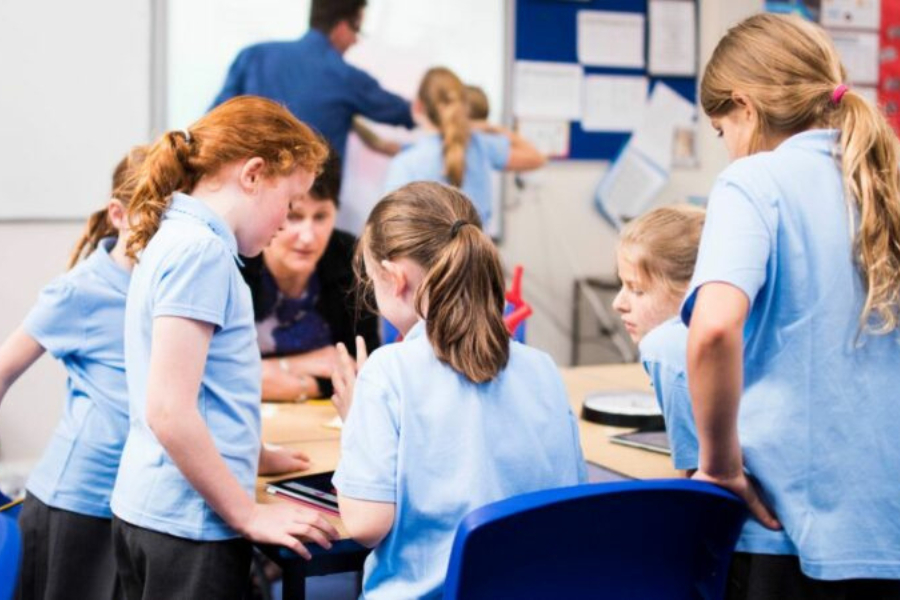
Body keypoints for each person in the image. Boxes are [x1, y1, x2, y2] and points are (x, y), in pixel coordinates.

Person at [684, 13, 900, 598]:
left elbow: (713, 330)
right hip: (886, 527)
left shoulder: (754, 182)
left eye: (721, 130)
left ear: (745, 107)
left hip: (788, 529)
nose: (727, 149)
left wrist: (721, 463)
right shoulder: (886, 180)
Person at [109, 96, 339, 600]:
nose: (285, 222)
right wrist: (248, 512)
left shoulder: (180, 236)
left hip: (155, 508)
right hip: (188, 523)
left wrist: (254, 452)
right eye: (291, 202)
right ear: (253, 174)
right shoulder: (203, 253)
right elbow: (169, 410)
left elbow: (201, 382)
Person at [329, 181, 587, 599]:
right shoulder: (541, 368)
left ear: (394, 278)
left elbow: (364, 524)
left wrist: (356, 423)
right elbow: (568, 499)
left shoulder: (388, 371)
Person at [613, 204, 796, 560]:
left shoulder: (665, 346)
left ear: (691, 291)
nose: (619, 303)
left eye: (636, 289)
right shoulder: (758, 329)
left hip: (747, 546)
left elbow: (699, 482)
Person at [0, 147, 144, 600]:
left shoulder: (171, 289)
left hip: (135, 503)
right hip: (76, 504)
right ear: (119, 215)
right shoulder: (80, 290)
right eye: (153, 218)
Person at [241, 147, 380, 402]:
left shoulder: (351, 258)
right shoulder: (237, 258)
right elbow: (212, 374)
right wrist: (305, 367)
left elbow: (365, 370)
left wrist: (287, 381)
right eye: (294, 217)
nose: (307, 236)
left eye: (320, 217)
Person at [211, 0, 413, 161]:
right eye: (357, 30)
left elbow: (213, 123)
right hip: (314, 204)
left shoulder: (253, 56)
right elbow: (406, 112)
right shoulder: (346, 78)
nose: (356, 40)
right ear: (341, 27)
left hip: (247, 195)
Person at [383, 67, 545, 228]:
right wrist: (492, 128)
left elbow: (389, 231)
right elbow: (537, 158)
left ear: (417, 106)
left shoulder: (406, 163)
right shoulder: (481, 145)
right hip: (481, 253)